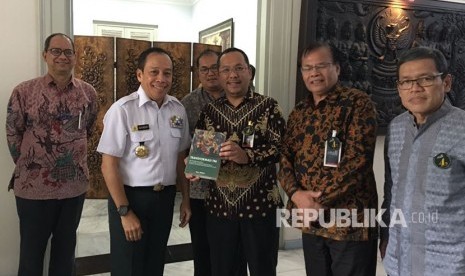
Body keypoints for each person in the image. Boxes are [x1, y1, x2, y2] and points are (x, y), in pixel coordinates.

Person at [278, 41, 378, 276]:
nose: (314, 73)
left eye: (321, 66)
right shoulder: (299, 112)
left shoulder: (358, 103)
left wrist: (317, 203)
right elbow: (285, 158)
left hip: (349, 223)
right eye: (307, 67)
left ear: (337, 68)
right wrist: (296, 195)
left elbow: (358, 162)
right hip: (311, 222)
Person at [5, 33, 98, 276]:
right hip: (33, 189)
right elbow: (13, 135)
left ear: (75, 57)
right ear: (44, 55)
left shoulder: (88, 93)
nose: (62, 56)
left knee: (65, 252)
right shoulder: (23, 92)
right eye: (56, 51)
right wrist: (33, 162)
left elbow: (88, 128)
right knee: (31, 254)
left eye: (68, 52)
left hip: (73, 188)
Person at [188, 47, 285, 276]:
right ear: (220, 76)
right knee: (224, 270)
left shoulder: (268, 106)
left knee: (263, 268)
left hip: (260, 208)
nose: (233, 75)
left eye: (239, 68)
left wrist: (247, 156)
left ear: (249, 72)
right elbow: (204, 156)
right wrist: (196, 168)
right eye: (226, 70)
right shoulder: (210, 112)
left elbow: (281, 149)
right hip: (219, 210)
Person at [97, 47, 191, 276]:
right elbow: (108, 164)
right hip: (131, 198)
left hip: (164, 198)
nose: (161, 79)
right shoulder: (123, 110)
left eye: (167, 73)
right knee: (127, 267)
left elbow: (180, 158)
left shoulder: (177, 109)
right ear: (140, 75)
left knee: (154, 263)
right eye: (154, 72)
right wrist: (124, 211)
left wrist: (186, 199)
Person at [380, 46, 465, 275]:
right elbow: (391, 188)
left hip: (449, 264)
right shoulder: (396, 128)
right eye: (406, 81)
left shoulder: (462, 128)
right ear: (399, 89)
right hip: (398, 260)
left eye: (425, 79)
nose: (415, 88)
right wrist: (385, 235)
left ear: (446, 83)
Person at [181, 49, 223, 276]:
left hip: (233, 191)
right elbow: (181, 150)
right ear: (197, 73)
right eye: (204, 69)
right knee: (202, 250)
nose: (210, 73)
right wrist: (185, 198)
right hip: (200, 191)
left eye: (215, 68)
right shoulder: (187, 103)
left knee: (229, 251)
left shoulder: (241, 98)